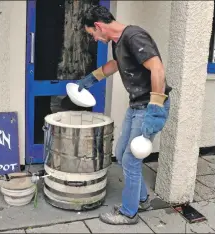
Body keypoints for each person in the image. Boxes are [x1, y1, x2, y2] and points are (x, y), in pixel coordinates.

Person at [76, 5, 172, 225]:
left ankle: (129, 213)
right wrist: (91, 79)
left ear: (99, 26)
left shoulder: (134, 36)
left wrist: (155, 109)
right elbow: (116, 65)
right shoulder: (118, 42)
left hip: (149, 107)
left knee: (131, 159)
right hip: (136, 105)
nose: (96, 40)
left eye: (93, 35)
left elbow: (157, 68)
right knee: (121, 152)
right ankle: (143, 199)